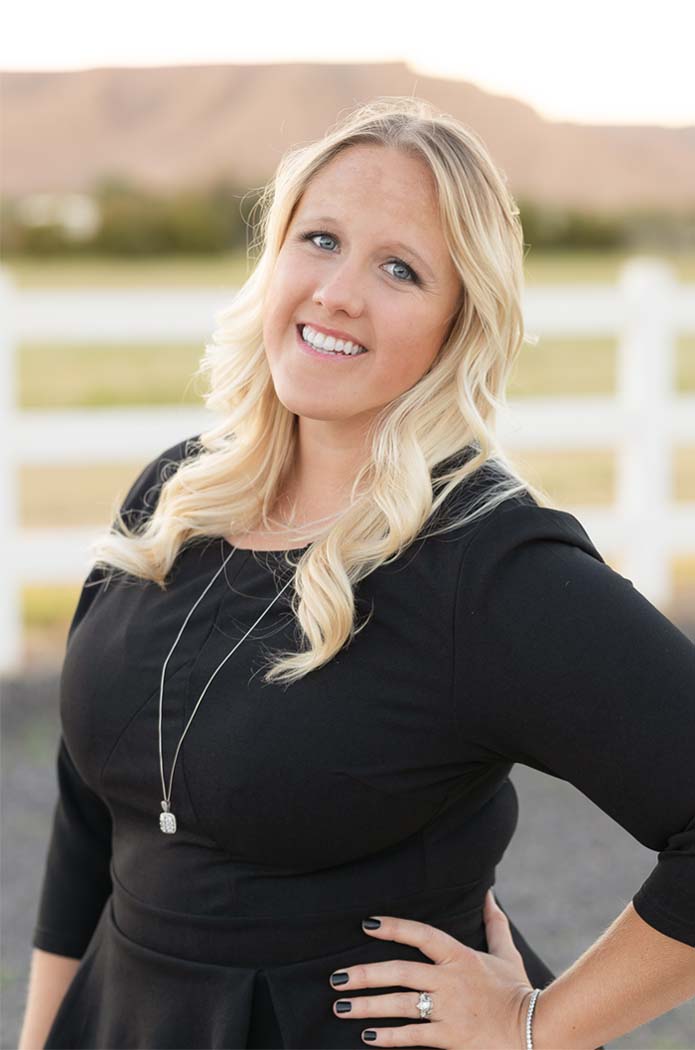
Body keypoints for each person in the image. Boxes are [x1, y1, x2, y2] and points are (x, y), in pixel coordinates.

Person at [19, 96, 695, 1050]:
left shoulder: (487, 569)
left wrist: (536, 1025)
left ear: (458, 324)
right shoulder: (174, 496)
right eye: (321, 239)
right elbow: (92, 818)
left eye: (399, 268)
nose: (338, 292)